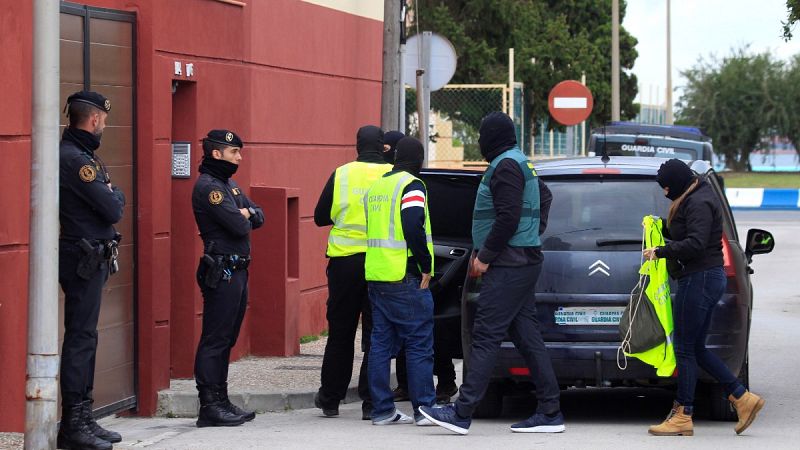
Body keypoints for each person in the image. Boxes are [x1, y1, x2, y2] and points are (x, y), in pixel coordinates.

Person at [420, 111, 562, 435]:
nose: (480, 140)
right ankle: (550, 411)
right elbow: (545, 197)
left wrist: (485, 256)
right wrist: (532, 232)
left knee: (485, 335)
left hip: (509, 263)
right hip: (522, 259)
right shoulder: (519, 162)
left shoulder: (506, 165)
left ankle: (461, 412)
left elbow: (508, 216)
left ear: (493, 137)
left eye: (483, 135)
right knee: (527, 337)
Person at [644, 158, 765, 436]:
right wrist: (659, 225)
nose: (665, 193)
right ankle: (742, 398)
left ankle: (683, 414)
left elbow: (696, 243)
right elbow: (689, 230)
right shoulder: (696, 195)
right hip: (706, 278)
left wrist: (661, 251)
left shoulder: (698, 201)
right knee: (696, 347)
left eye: (666, 188)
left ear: (676, 183)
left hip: (699, 279)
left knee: (684, 349)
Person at [57, 91, 125, 450]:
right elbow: (113, 208)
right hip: (82, 258)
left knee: (87, 338)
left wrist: (113, 195)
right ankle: (73, 425)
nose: (104, 127)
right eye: (104, 121)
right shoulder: (75, 160)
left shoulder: (84, 156)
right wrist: (115, 195)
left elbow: (111, 202)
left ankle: (84, 416)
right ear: (95, 119)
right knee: (81, 339)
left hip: (92, 257)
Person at [313, 126, 392, 420]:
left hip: (345, 263)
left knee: (340, 333)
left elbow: (320, 216)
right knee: (376, 335)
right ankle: (371, 403)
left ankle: (330, 399)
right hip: (381, 263)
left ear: (357, 147)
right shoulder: (394, 175)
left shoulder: (342, 174)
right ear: (383, 147)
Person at [192, 129, 264, 427]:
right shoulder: (209, 188)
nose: (239, 158)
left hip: (238, 270)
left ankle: (221, 399)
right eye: (234, 152)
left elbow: (259, 215)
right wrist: (244, 214)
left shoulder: (229, 185)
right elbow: (239, 225)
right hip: (221, 271)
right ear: (216, 153)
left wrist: (246, 211)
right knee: (215, 338)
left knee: (227, 338)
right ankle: (209, 404)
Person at [365, 136, 436, 426]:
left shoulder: (378, 186)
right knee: (419, 343)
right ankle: (425, 409)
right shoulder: (412, 185)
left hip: (377, 274)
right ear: (419, 160)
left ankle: (382, 410)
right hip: (405, 275)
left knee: (380, 344)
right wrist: (426, 265)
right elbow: (412, 224)